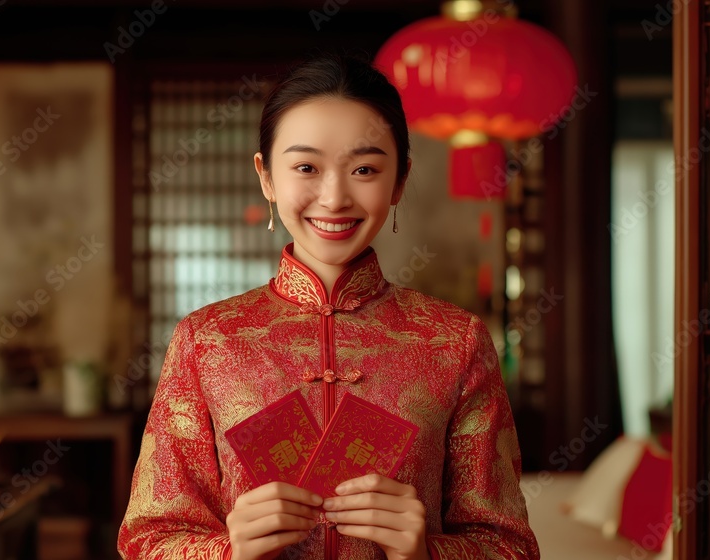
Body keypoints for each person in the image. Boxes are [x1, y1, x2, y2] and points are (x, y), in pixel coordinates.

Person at [118, 53, 539, 560]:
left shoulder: (455, 341)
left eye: (364, 169)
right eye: (306, 167)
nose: (335, 197)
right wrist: (227, 553)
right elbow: (146, 539)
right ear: (266, 177)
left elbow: (510, 547)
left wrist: (426, 553)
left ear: (400, 179)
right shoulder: (206, 340)